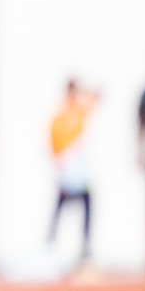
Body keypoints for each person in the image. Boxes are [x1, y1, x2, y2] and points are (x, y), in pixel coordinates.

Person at [48, 79, 97, 259]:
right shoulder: (59, 118)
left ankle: (85, 245)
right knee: (60, 206)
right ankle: (51, 243)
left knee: (87, 204)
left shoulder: (80, 113)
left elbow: (96, 97)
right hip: (67, 170)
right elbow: (54, 146)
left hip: (79, 171)